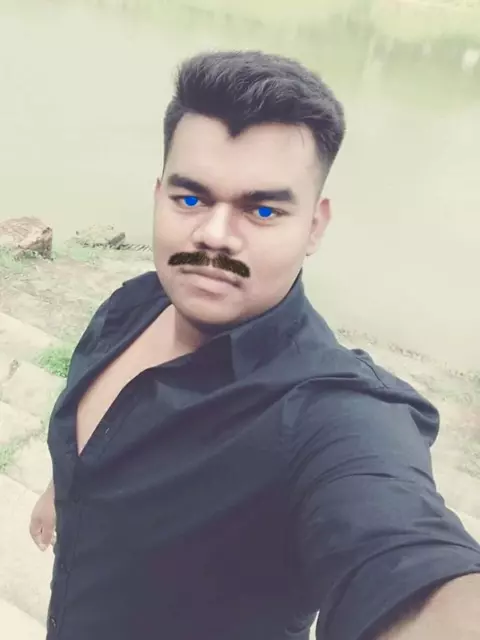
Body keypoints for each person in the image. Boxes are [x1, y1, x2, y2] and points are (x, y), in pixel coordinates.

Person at [29, 50, 480, 640]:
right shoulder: (131, 306)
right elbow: (92, 438)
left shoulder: (328, 414)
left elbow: (401, 555)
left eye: (262, 209)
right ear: (159, 194)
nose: (214, 235)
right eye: (190, 199)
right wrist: (64, 489)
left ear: (314, 226)